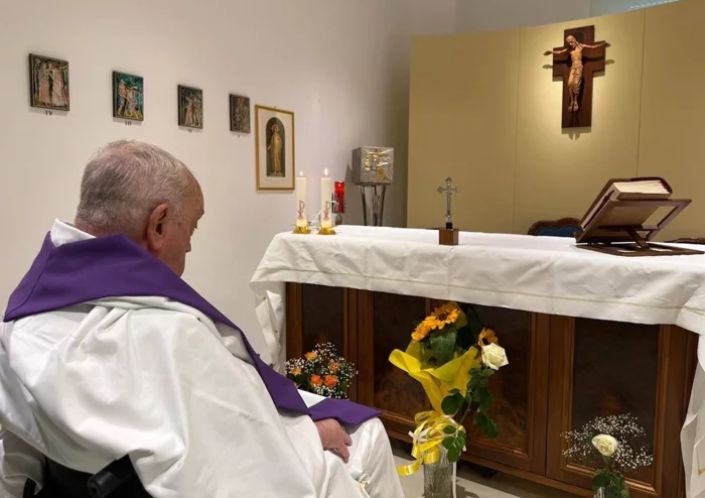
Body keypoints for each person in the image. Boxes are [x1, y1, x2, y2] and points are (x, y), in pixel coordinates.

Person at [0, 140, 403, 497]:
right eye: (191, 226)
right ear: (157, 225)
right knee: (367, 436)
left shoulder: (24, 317)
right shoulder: (169, 335)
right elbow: (239, 456)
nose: (191, 244)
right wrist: (311, 435)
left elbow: (20, 450)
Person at [544, 35, 609, 112]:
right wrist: (551, 52)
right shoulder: (569, 49)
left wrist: (602, 45)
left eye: (571, 42)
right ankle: (571, 100)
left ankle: (575, 101)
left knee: (576, 84)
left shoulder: (581, 46)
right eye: (569, 43)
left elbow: (593, 47)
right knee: (569, 84)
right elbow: (560, 52)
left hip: (579, 67)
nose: (570, 44)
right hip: (573, 67)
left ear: (574, 39)